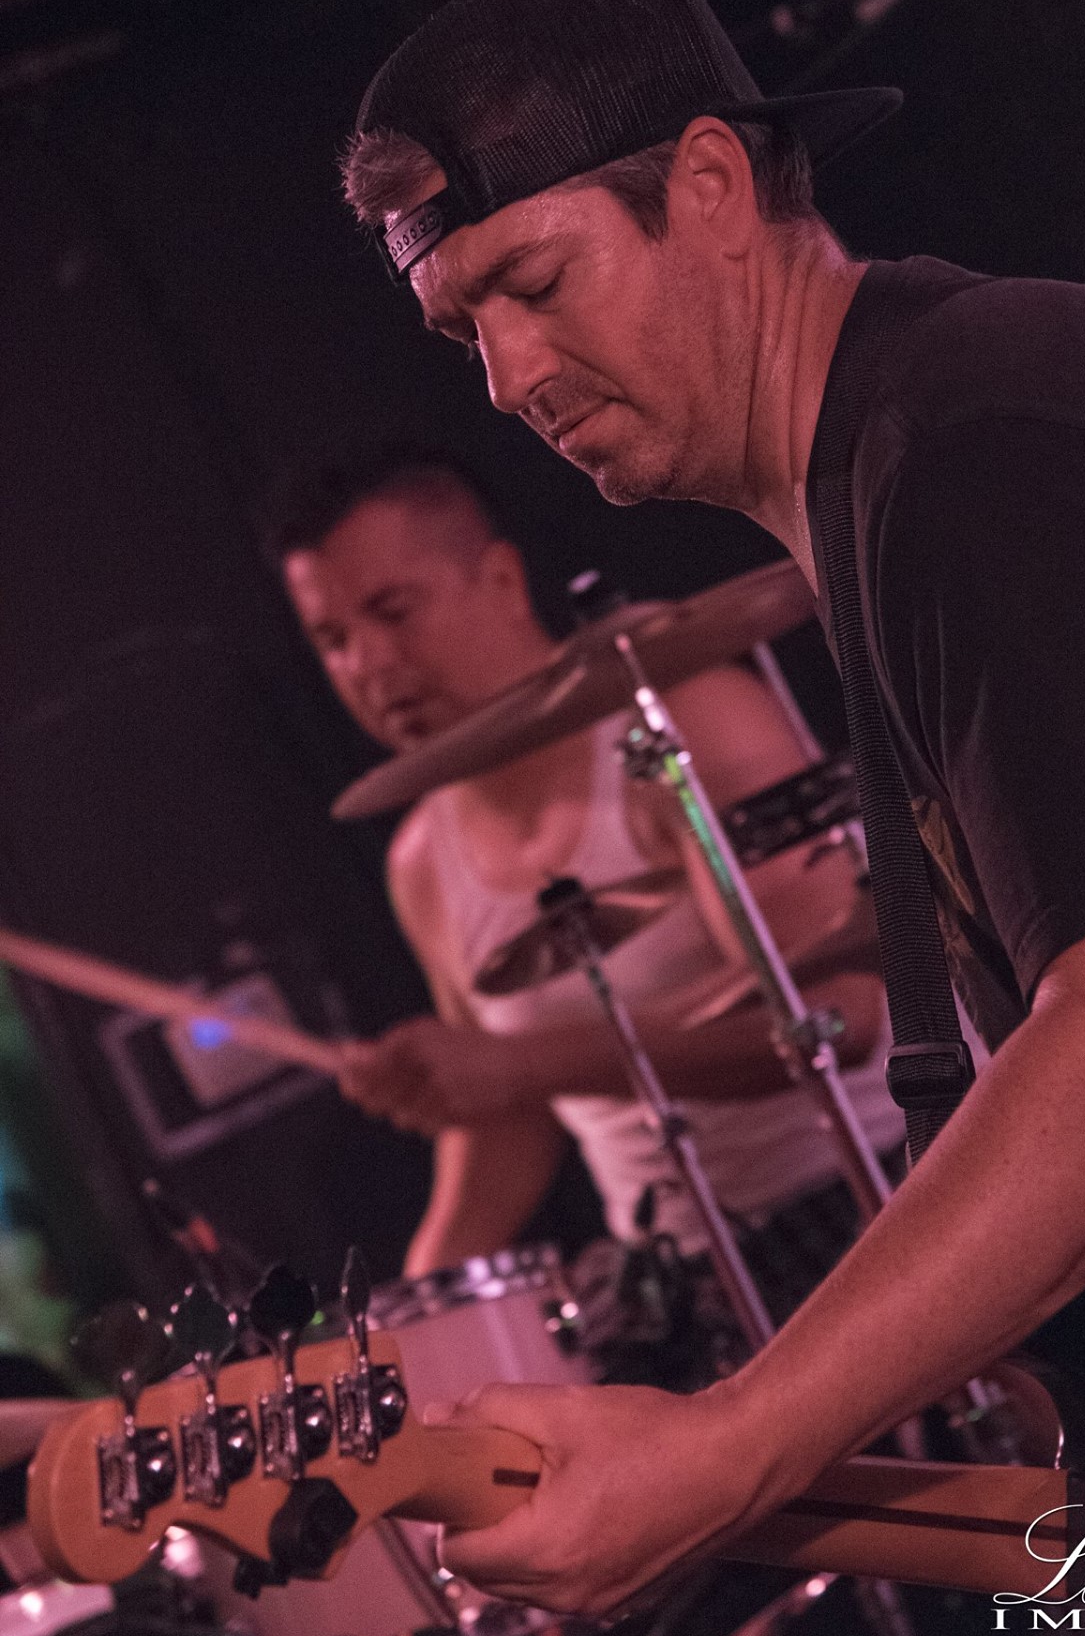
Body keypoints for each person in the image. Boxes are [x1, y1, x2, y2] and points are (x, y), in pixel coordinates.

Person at [335, 0, 1085, 1636]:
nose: (508, 377)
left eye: (535, 281)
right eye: (465, 330)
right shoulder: (899, 463)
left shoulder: (979, 437)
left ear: (711, 184)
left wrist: (731, 1442)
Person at [269, 443, 906, 1362]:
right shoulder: (420, 860)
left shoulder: (678, 725)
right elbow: (512, 1118)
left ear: (499, 578)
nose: (367, 661)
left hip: (885, 1185)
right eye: (332, 640)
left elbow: (836, 1017)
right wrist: (410, 1316)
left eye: (392, 611)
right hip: (691, 1268)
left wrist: (521, 1065)